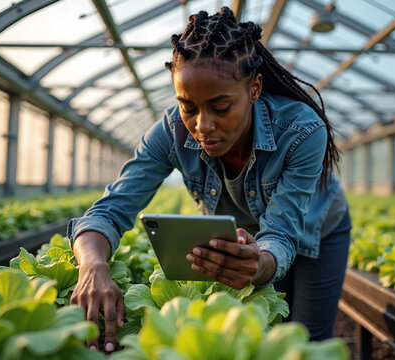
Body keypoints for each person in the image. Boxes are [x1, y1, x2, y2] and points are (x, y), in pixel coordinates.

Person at [68, 7, 351, 352]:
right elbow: (110, 210)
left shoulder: (302, 130)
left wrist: (259, 263)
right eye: (188, 107)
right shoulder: (171, 131)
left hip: (318, 228)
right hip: (248, 248)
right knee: (253, 338)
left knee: (305, 341)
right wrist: (93, 264)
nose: (202, 125)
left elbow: (281, 234)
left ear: (255, 88)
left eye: (220, 107)